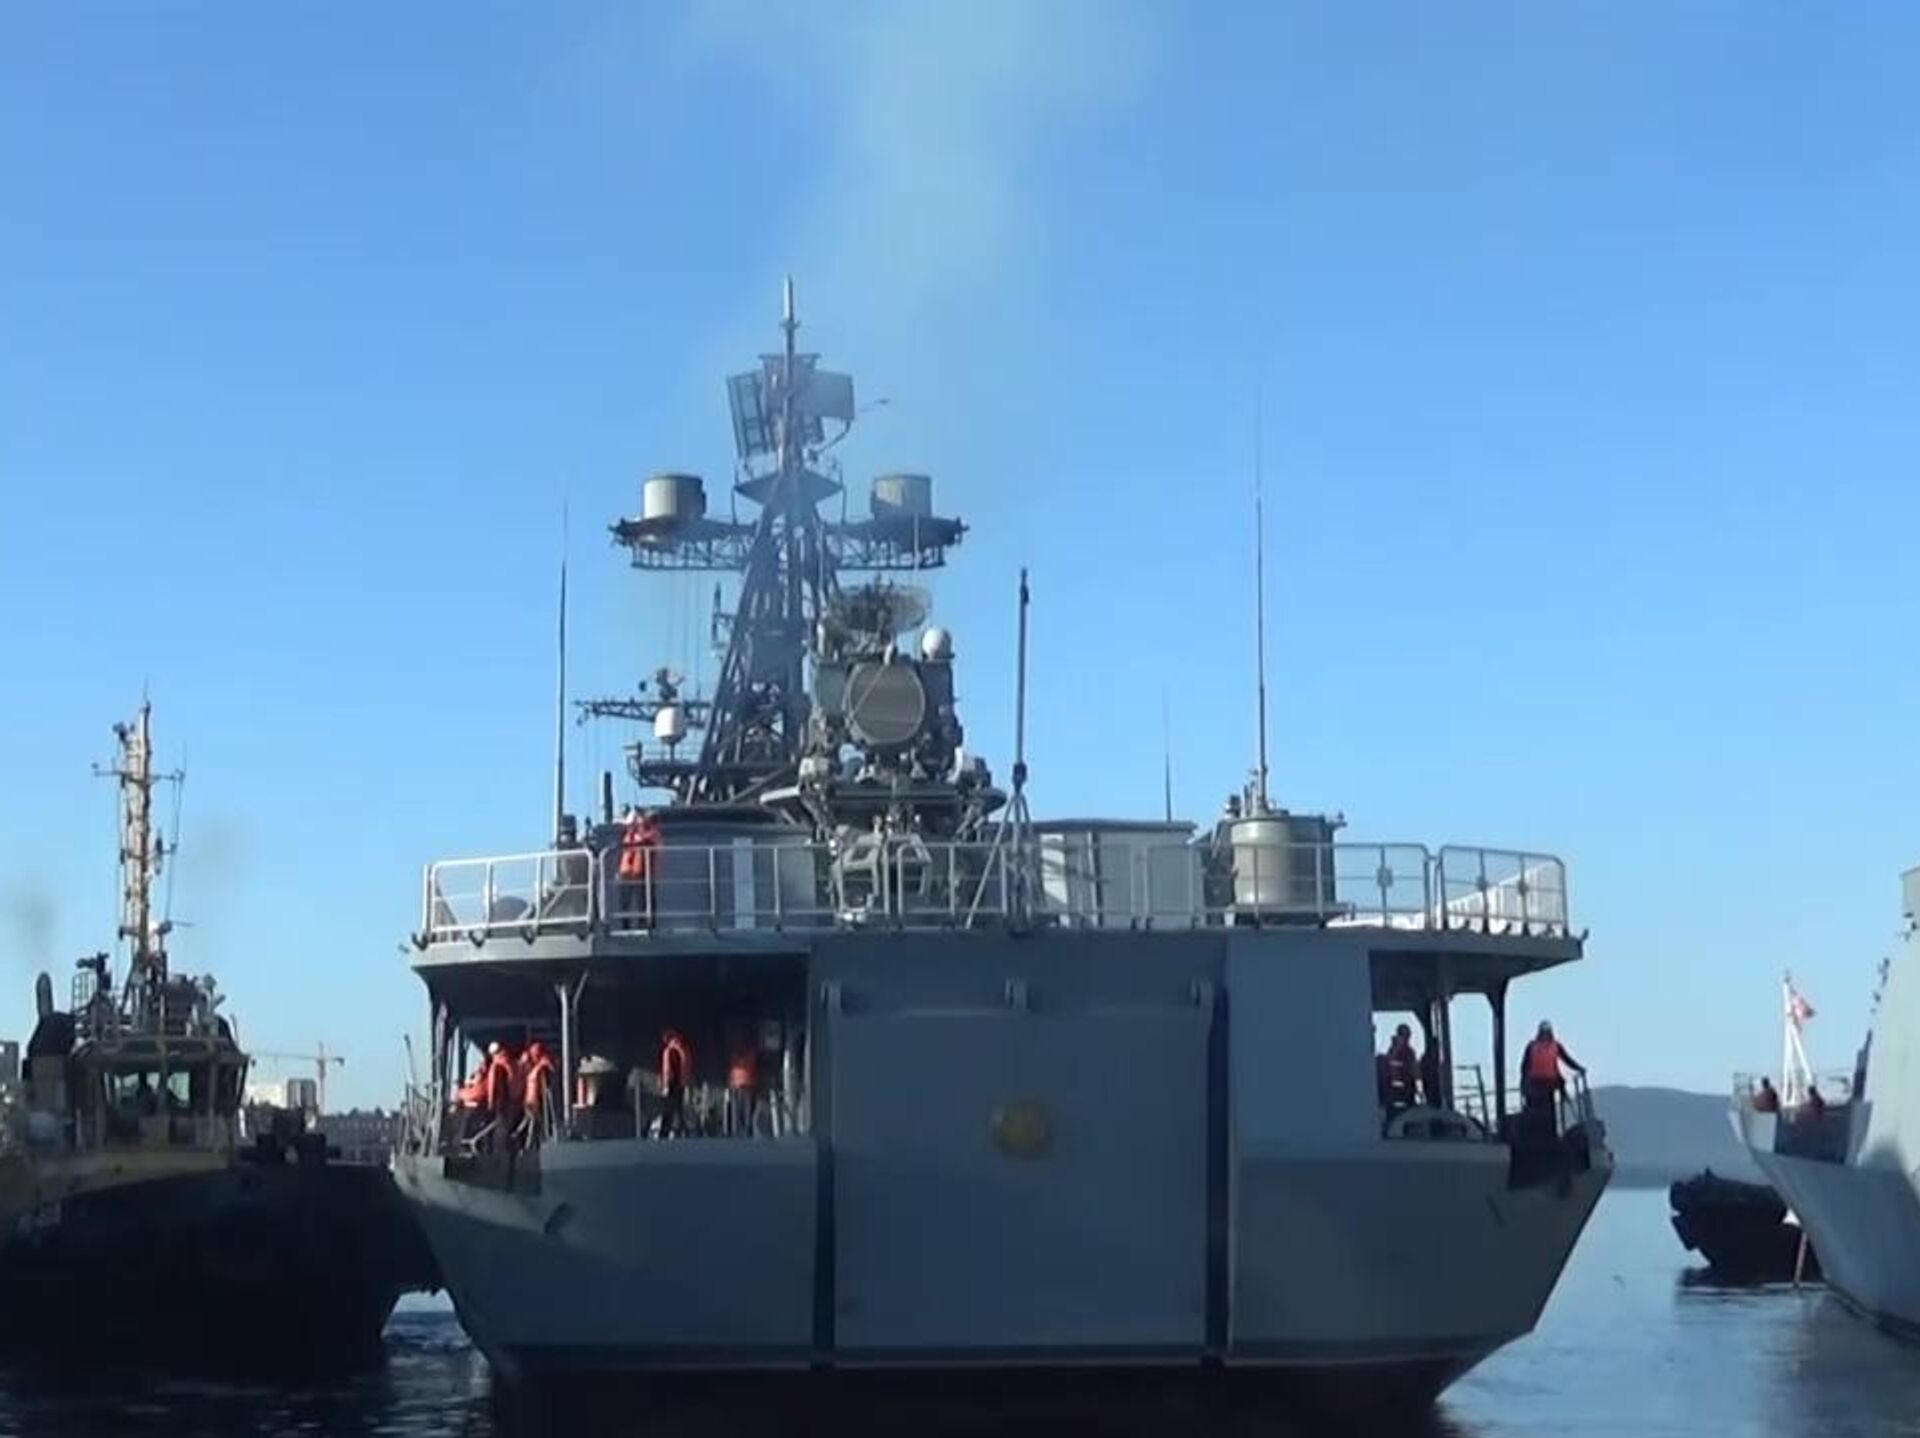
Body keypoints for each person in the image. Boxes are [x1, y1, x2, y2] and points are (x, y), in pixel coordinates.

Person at [1520, 1021, 1586, 1113]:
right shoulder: (1555, 1045)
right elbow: (1567, 1060)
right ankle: (1564, 1097)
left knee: (1534, 1107)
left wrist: (1522, 1086)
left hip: (1534, 1082)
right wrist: (1580, 1068)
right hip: (1551, 1082)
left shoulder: (1531, 1046)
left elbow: (1523, 1067)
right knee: (1559, 1083)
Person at [658, 1028, 692, 1138]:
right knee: (678, 1108)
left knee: (669, 1109)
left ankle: (666, 1131)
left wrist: (667, 1084)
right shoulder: (683, 1048)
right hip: (681, 1082)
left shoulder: (671, 1050)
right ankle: (684, 1130)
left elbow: (671, 1069)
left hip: (673, 1084)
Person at [1380, 1024, 1420, 1112]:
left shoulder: (1410, 1052)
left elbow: (1413, 1071)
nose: (1406, 1038)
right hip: (1394, 1092)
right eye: (1403, 1035)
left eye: (1407, 1036)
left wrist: (1417, 1089)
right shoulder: (1392, 1050)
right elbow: (1388, 1066)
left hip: (1408, 1090)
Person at [727, 1041, 758, 1137]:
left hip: (738, 1084)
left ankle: (738, 1128)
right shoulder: (750, 1056)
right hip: (747, 1083)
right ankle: (746, 1128)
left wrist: (731, 1083)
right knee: (746, 1108)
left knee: (739, 1108)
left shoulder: (735, 1058)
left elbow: (733, 1070)